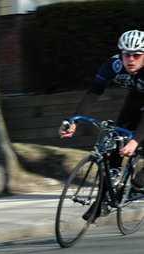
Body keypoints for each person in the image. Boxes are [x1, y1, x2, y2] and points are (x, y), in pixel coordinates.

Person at [59, 29, 144, 220]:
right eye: (126, 54)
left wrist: (136, 141)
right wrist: (75, 121)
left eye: (137, 55)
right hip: (137, 95)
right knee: (117, 136)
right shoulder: (112, 65)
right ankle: (101, 203)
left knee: (136, 141)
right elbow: (93, 93)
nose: (131, 59)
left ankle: (137, 185)